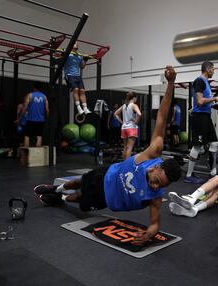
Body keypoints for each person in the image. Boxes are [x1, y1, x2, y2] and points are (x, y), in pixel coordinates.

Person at [33, 66, 181, 245]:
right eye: (157, 180)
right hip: (108, 173)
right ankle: (56, 189)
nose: (155, 185)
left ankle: (60, 199)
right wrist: (171, 83)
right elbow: (162, 117)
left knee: (81, 198)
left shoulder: (155, 196)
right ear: (156, 167)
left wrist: (148, 235)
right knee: (81, 180)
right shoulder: (153, 153)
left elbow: (155, 225)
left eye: (160, 185)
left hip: (106, 198)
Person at [185, 61, 218, 183]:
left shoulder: (206, 83)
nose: (214, 71)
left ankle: (212, 172)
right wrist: (214, 98)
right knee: (197, 145)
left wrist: (213, 105)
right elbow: (199, 101)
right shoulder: (199, 81)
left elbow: (203, 102)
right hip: (199, 117)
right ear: (208, 69)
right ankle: (189, 176)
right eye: (213, 69)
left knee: (214, 142)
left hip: (206, 116)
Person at [62, 42, 91, 115]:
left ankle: (85, 108)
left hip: (77, 75)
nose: (76, 44)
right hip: (69, 75)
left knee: (82, 91)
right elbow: (56, 54)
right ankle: (79, 108)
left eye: (77, 44)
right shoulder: (68, 53)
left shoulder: (79, 56)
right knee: (76, 89)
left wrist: (85, 59)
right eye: (75, 43)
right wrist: (62, 53)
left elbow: (82, 67)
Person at [17, 83, 49, 147]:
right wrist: (47, 118)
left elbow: (25, 108)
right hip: (41, 121)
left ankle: (26, 155)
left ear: (34, 88)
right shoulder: (44, 96)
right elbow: (47, 110)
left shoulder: (30, 95)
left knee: (27, 136)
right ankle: (37, 155)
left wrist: (19, 119)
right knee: (39, 136)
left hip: (31, 120)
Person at [114, 92, 142, 159]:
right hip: (131, 127)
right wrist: (136, 122)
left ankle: (124, 164)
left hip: (124, 128)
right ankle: (126, 164)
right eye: (136, 98)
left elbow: (115, 114)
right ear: (134, 98)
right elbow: (140, 114)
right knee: (129, 148)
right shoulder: (134, 105)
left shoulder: (124, 105)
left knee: (125, 147)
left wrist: (122, 122)